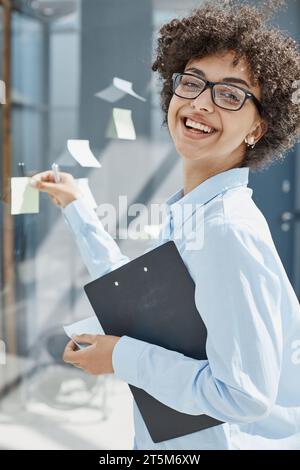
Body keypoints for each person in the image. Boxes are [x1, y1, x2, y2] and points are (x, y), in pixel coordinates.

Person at [31, 0, 300, 450]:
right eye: (192, 82)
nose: (199, 104)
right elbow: (138, 295)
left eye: (230, 94)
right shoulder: (194, 211)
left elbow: (243, 396)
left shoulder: (225, 229)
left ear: (259, 127)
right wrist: (78, 206)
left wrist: (121, 356)